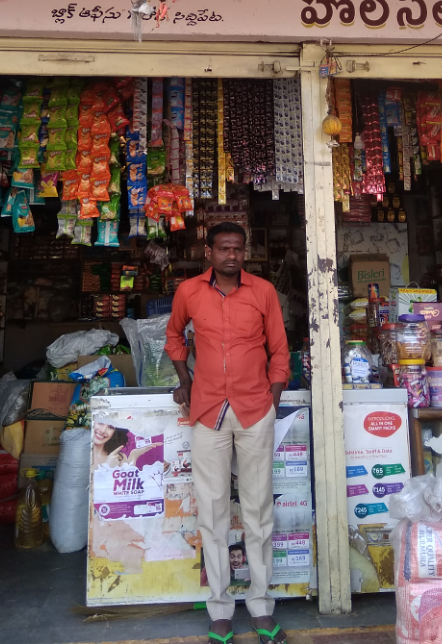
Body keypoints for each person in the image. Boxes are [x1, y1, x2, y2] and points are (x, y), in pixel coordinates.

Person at [165, 222, 290, 644]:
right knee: (213, 512)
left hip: (255, 410)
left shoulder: (263, 292)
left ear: (245, 252)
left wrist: (272, 399)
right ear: (209, 252)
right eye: (224, 248)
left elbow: (279, 350)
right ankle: (220, 608)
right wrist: (184, 379)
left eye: (238, 248)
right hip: (207, 410)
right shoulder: (189, 292)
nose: (231, 256)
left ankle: (260, 604)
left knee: (257, 513)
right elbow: (174, 337)